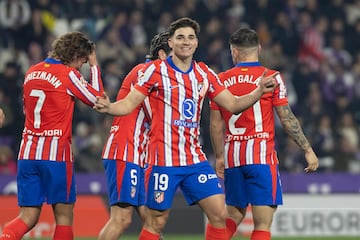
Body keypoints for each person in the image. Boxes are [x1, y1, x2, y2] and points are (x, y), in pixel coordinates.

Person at [94, 17, 278, 240]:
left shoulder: (204, 73)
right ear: (170, 42)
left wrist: (258, 91)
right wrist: (109, 107)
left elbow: (233, 104)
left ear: (197, 43)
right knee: (156, 222)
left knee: (220, 215)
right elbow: (129, 103)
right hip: (163, 160)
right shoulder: (155, 71)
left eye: (190, 37)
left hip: (194, 160)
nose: (186, 42)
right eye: (180, 37)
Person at [209, 27, 319, 240]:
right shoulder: (271, 77)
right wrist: (307, 149)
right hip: (261, 157)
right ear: (258, 48)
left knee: (232, 216)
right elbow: (287, 119)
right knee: (262, 223)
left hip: (233, 157)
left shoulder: (220, 79)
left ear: (234, 52)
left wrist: (220, 157)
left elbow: (215, 125)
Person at [0, 31, 104, 240]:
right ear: (75, 55)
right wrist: (94, 65)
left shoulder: (32, 71)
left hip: (28, 153)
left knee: (28, 216)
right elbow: (99, 100)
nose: (80, 67)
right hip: (56, 154)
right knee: (64, 216)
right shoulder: (68, 74)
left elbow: (25, 111)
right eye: (81, 62)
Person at [98, 31, 171, 240]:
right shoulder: (148, 71)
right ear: (163, 54)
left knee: (151, 219)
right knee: (121, 219)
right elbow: (155, 113)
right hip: (125, 148)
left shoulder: (150, 72)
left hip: (137, 152)